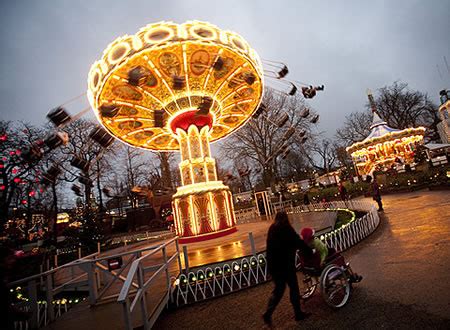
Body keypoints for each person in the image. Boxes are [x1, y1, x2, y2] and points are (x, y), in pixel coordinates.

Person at [263, 211, 312, 326]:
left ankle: (268, 313)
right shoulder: (286, 229)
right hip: (286, 265)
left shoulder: (272, 229)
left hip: (275, 266)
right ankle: (298, 313)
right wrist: (309, 251)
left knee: (278, 290)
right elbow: (298, 242)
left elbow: (269, 249)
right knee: (294, 288)